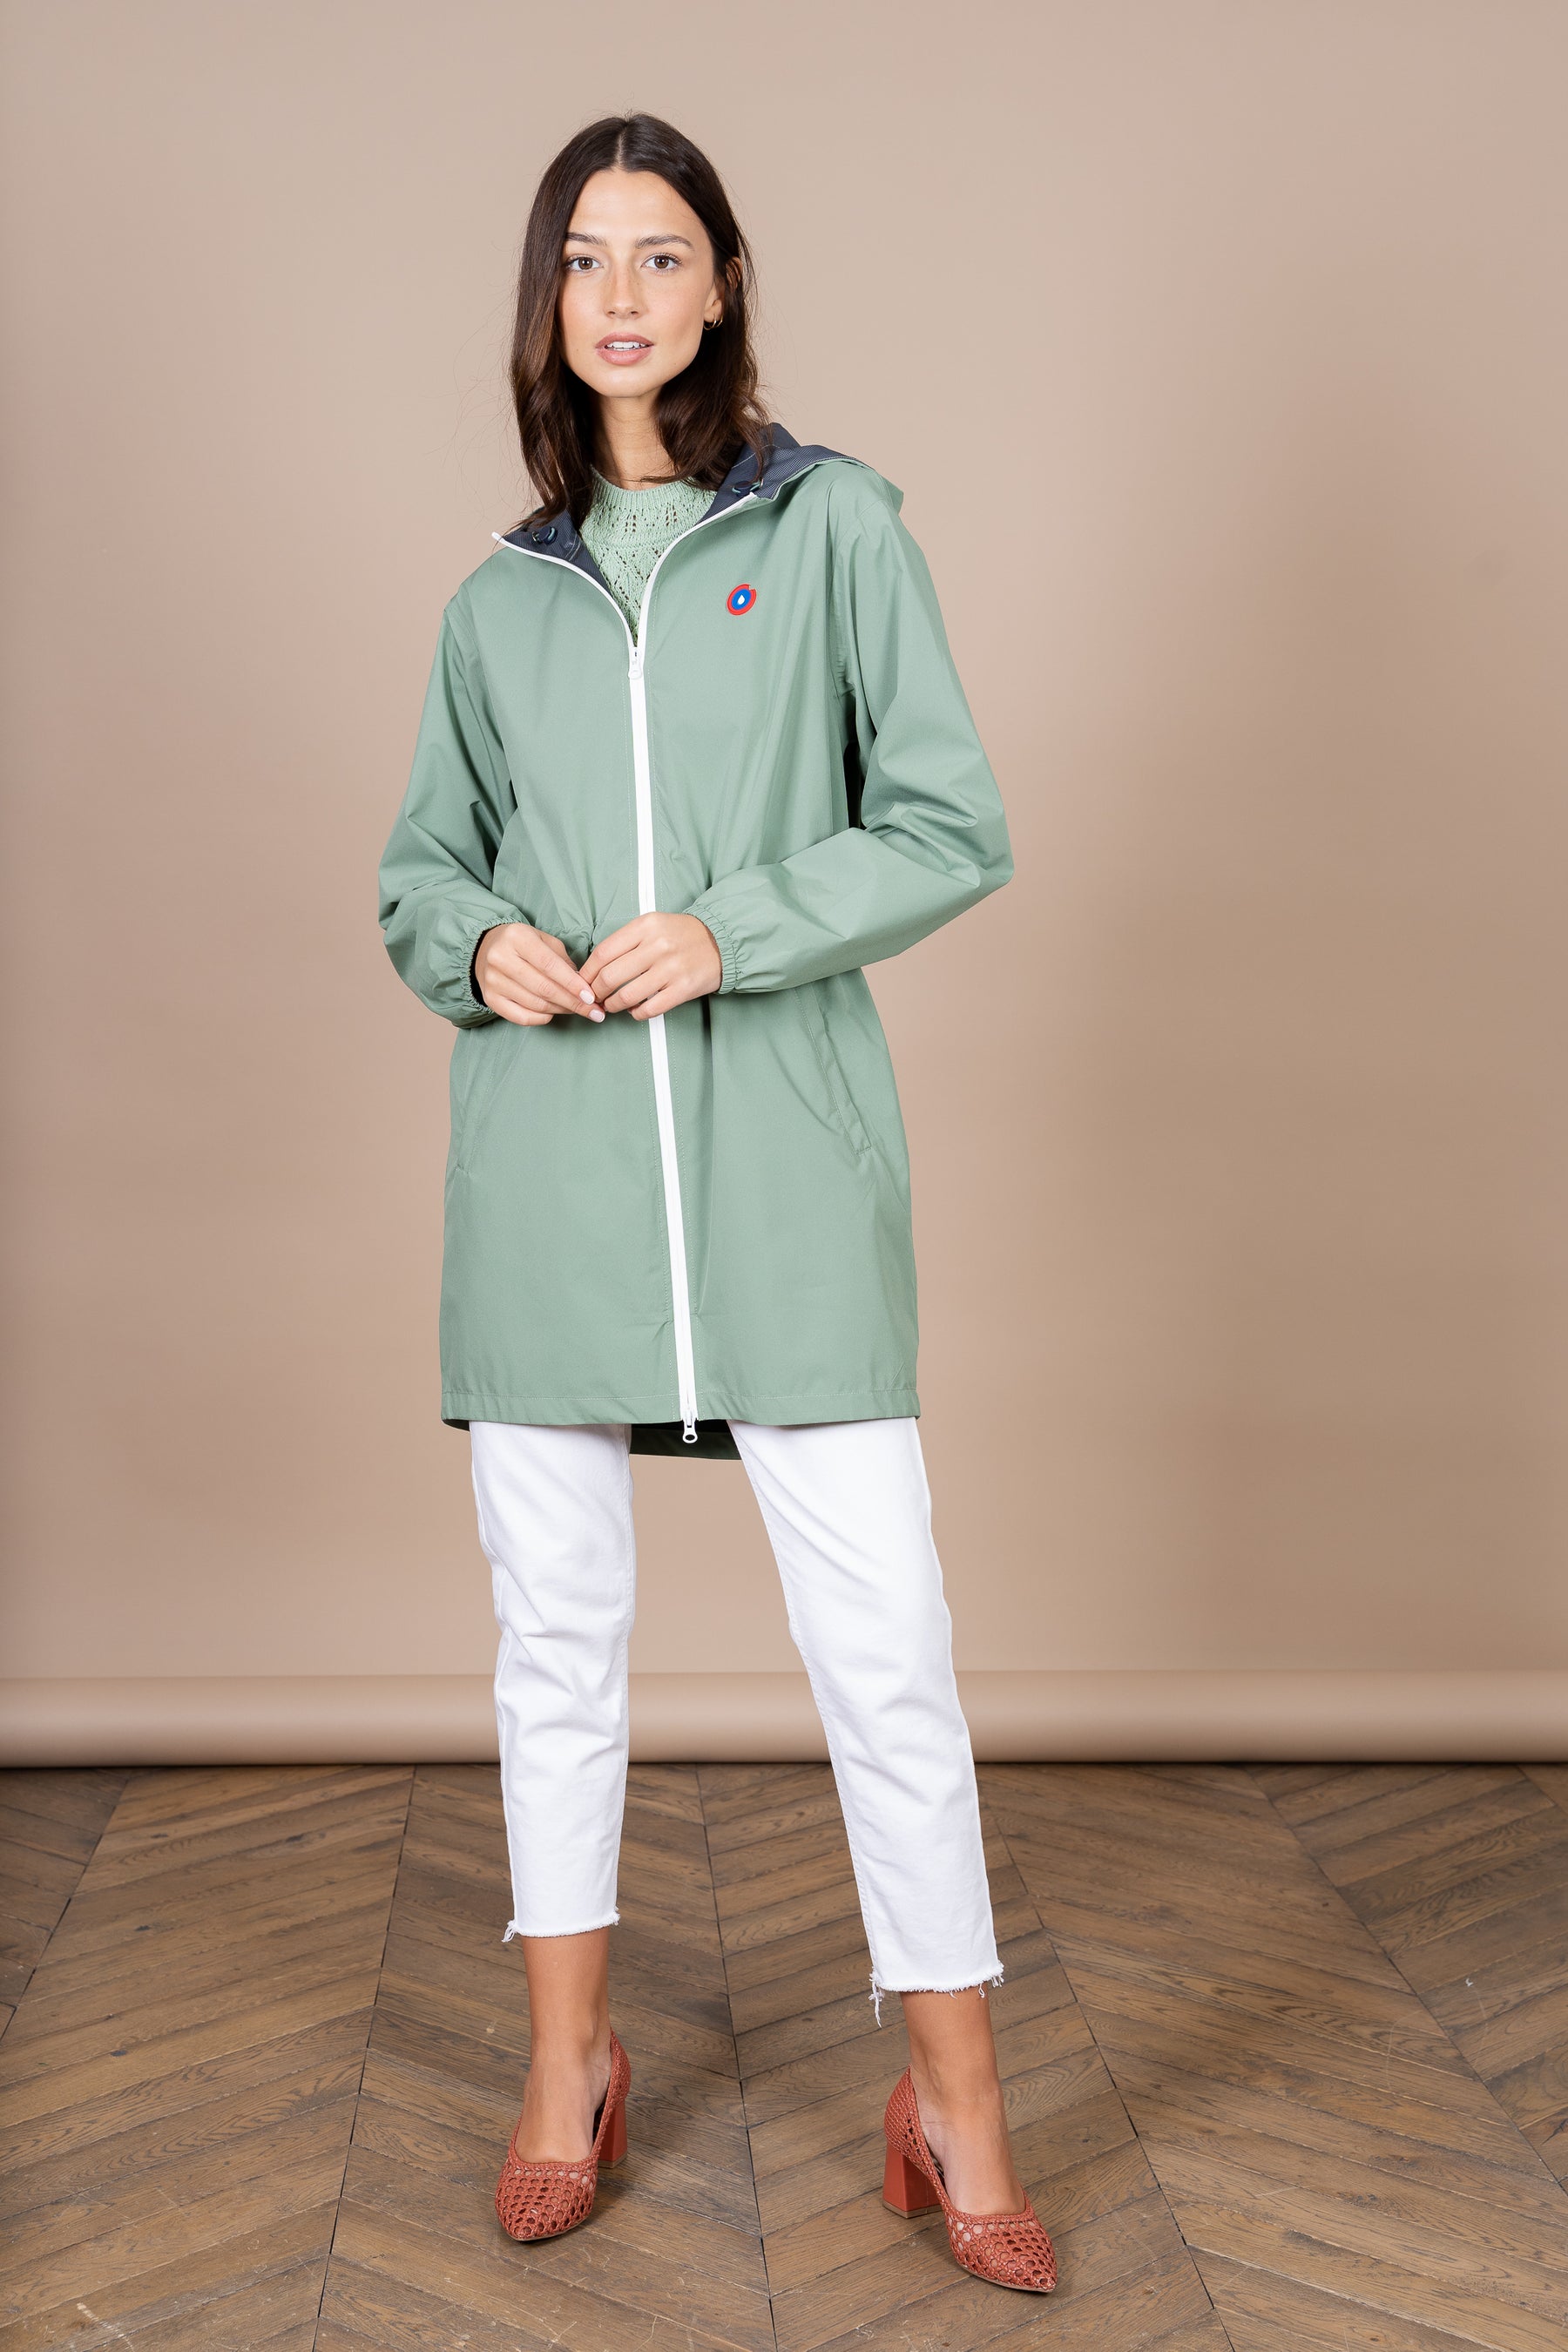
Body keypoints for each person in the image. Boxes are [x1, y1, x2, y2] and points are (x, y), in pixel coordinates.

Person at [377, 113, 1054, 2295]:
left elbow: (949, 823)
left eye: (661, 254)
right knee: (555, 1652)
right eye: (586, 259)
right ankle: (565, 2068)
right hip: (551, 1189)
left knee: (890, 1662)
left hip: (783, 1182)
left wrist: (733, 929)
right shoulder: (500, 601)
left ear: (724, 283)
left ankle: (956, 2102)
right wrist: (479, 942)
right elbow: (419, 870)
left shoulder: (835, 525)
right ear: (548, 300)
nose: (623, 295)